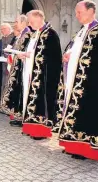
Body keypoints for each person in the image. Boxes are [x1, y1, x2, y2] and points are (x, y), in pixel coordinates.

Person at [53, 0, 98, 160]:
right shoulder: (81, 32)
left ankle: (87, 148)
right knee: (74, 113)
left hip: (92, 84)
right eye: (76, 12)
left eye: (80, 12)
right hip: (75, 80)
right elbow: (75, 51)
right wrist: (67, 56)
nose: (77, 15)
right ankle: (73, 143)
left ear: (91, 11)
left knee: (88, 116)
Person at [18, 10, 61, 139]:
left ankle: (41, 130)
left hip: (44, 76)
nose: (29, 24)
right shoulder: (35, 33)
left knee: (42, 104)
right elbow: (32, 51)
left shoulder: (51, 34)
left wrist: (31, 57)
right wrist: (25, 56)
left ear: (39, 18)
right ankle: (30, 126)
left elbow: (54, 57)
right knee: (30, 100)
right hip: (32, 72)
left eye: (31, 21)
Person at [0, 15, 31, 126]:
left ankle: (22, 117)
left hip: (23, 68)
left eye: (16, 22)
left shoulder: (28, 34)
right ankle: (17, 115)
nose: (14, 24)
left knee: (21, 92)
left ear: (23, 22)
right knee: (17, 92)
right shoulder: (22, 34)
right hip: (16, 67)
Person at [0, 23, 15, 108]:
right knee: (2, 84)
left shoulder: (13, 39)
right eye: (1, 29)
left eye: (3, 29)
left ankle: (6, 105)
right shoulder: (2, 39)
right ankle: (1, 103)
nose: (2, 31)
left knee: (7, 85)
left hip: (9, 66)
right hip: (1, 66)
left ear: (9, 29)